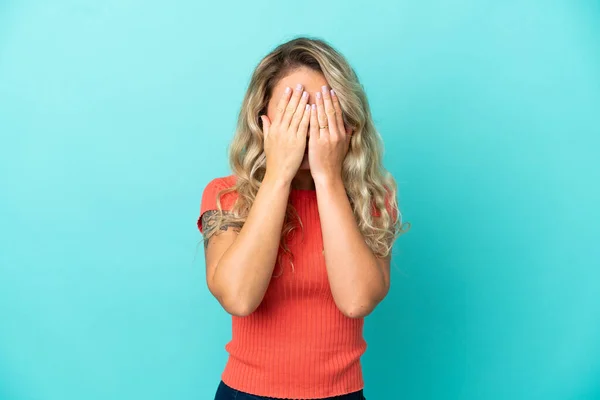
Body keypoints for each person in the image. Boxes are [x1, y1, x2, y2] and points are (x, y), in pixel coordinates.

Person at [197, 36, 410, 400]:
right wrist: (279, 174)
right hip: (247, 393)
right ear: (264, 122)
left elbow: (358, 300)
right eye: (294, 112)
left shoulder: (372, 199)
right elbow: (238, 298)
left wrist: (327, 178)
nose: (308, 128)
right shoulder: (226, 195)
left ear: (346, 121)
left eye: (322, 111)